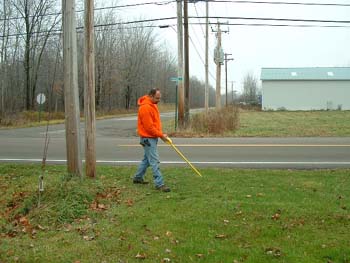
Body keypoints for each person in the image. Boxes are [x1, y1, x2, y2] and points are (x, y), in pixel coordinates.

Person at [133, 88, 171, 192]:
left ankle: (137, 178)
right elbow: (149, 127)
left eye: (159, 98)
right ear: (150, 96)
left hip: (152, 137)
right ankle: (159, 184)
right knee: (154, 161)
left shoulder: (153, 105)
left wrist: (161, 133)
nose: (159, 100)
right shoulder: (145, 108)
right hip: (148, 138)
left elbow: (154, 123)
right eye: (157, 98)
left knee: (147, 160)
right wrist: (161, 136)